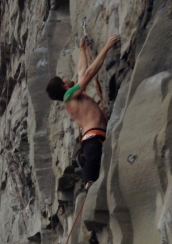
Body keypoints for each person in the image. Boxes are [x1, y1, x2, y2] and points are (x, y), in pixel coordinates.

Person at [46, 33, 120, 191]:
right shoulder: (68, 96)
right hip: (93, 137)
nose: (66, 78)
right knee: (92, 166)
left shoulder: (73, 95)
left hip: (95, 136)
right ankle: (88, 187)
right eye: (63, 78)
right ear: (63, 86)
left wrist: (81, 49)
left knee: (96, 164)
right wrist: (107, 46)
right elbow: (88, 75)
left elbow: (81, 70)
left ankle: (90, 186)